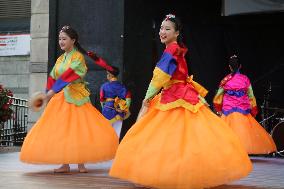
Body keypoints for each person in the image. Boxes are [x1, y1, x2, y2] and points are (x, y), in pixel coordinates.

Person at [109, 14, 252, 189]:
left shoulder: (171, 50)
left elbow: (159, 78)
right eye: (161, 28)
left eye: (167, 29)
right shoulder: (176, 49)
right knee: (184, 137)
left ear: (177, 33)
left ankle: (167, 174)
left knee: (167, 135)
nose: (162, 32)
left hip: (176, 95)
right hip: (179, 93)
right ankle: (182, 172)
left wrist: (146, 98)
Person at [20, 25, 119, 173]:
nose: (61, 41)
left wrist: (52, 91)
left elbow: (69, 75)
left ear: (73, 40)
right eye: (60, 39)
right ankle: (65, 164)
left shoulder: (77, 57)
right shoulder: (61, 59)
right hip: (61, 98)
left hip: (76, 98)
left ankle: (81, 163)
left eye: (64, 38)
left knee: (80, 130)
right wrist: (47, 93)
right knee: (62, 131)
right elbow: (53, 77)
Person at [213, 54, 276, 154]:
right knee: (243, 133)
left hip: (228, 111)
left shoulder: (225, 80)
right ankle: (242, 151)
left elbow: (218, 97)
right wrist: (254, 109)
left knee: (228, 131)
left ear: (229, 67)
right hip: (243, 111)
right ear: (240, 66)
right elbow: (251, 96)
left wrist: (218, 109)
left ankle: (230, 151)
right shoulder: (245, 79)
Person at [87, 52, 131, 139]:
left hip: (107, 110)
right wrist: (125, 108)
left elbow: (102, 100)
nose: (107, 75)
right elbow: (128, 98)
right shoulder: (122, 86)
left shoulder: (104, 86)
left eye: (107, 74)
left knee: (106, 132)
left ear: (110, 75)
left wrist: (104, 107)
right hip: (119, 111)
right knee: (117, 133)